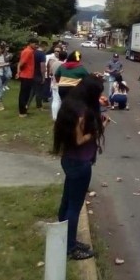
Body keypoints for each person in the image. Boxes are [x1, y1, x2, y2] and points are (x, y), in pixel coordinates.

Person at [52, 75, 111, 261]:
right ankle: (70, 248)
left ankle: (64, 239)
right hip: (80, 163)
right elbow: (79, 140)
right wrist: (99, 128)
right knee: (74, 207)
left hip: (68, 160)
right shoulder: (82, 112)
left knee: (67, 200)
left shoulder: (70, 104)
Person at [15, 38, 39, 118]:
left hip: (29, 75)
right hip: (26, 76)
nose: (36, 46)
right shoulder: (28, 51)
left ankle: (24, 110)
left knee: (27, 94)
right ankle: (22, 112)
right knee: (24, 94)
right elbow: (21, 63)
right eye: (35, 44)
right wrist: (19, 72)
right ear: (30, 43)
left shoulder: (30, 51)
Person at [27, 41, 48, 112]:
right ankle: (39, 107)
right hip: (38, 75)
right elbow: (42, 67)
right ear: (44, 46)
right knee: (39, 91)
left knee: (32, 91)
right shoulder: (42, 54)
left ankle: (26, 104)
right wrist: (43, 77)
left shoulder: (33, 52)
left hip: (31, 74)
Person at [48, 50, 68, 121]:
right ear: (66, 57)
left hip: (53, 83)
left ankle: (54, 116)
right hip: (61, 84)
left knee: (55, 100)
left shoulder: (54, 63)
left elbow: (50, 73)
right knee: (61, 100)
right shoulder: (64, 65)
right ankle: (60, 115)